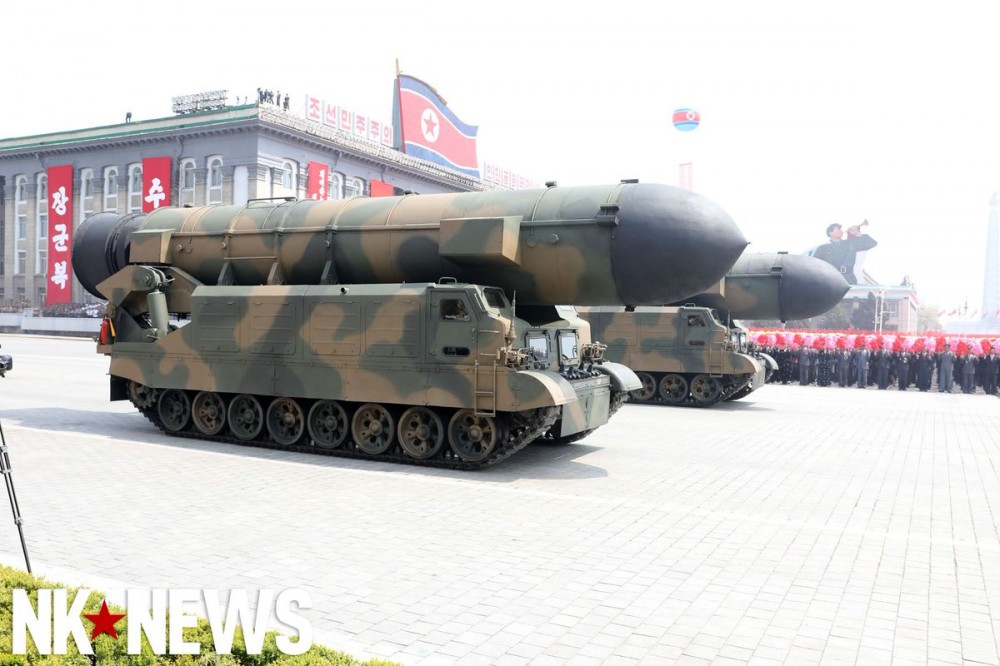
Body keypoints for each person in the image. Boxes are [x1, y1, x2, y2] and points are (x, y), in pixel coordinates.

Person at [810, 222, 877, 284]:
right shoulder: (822, 248)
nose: (841, 231)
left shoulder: (850, 243)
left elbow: (872, 243)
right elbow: (814, 265)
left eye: (841, 229)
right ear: (830, 233)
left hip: (849, 280)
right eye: (838, 229)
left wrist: (857, 233)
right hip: (830, 280)